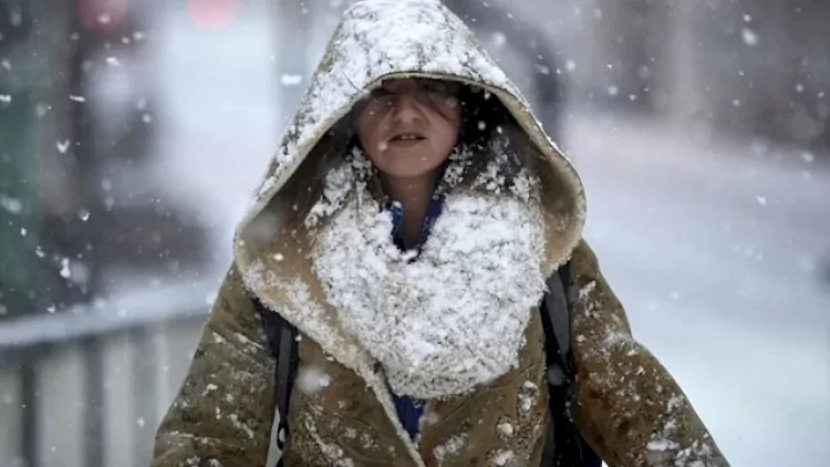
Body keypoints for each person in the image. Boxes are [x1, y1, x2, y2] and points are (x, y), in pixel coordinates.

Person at [151, 1, 729, 466]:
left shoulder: (544, 254)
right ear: (344, 114)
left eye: (429, 89)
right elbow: (209, 439)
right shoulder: (283, 264)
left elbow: (642, 414)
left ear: (467, 104)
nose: (406, 114)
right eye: (381, 93)